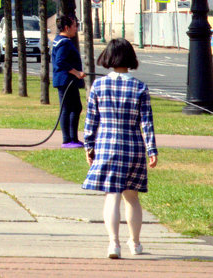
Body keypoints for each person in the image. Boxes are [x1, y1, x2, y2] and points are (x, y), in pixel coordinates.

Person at [82, 38, 157, 259]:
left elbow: (91, 121)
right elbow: (146, 123)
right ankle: (135, 243)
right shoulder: (139, 87)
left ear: (108, 58)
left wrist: (89, 146)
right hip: (132, 147)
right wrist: (152, 150)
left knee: (112, 195)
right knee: (132, 197)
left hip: (106, 145)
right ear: (131, 59)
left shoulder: (99, 86)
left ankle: (113, 244)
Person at [52, 14, 87, 148]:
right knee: (68, 109)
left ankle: (73, 138)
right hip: (66, 81)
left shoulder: (59, 40)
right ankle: (67, 140)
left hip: (66, 81)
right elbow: (60, 62)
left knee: (75, 107)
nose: (76, 29)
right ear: (66, 28)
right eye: (74, 26)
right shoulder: (64, 43)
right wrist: (76, 72)